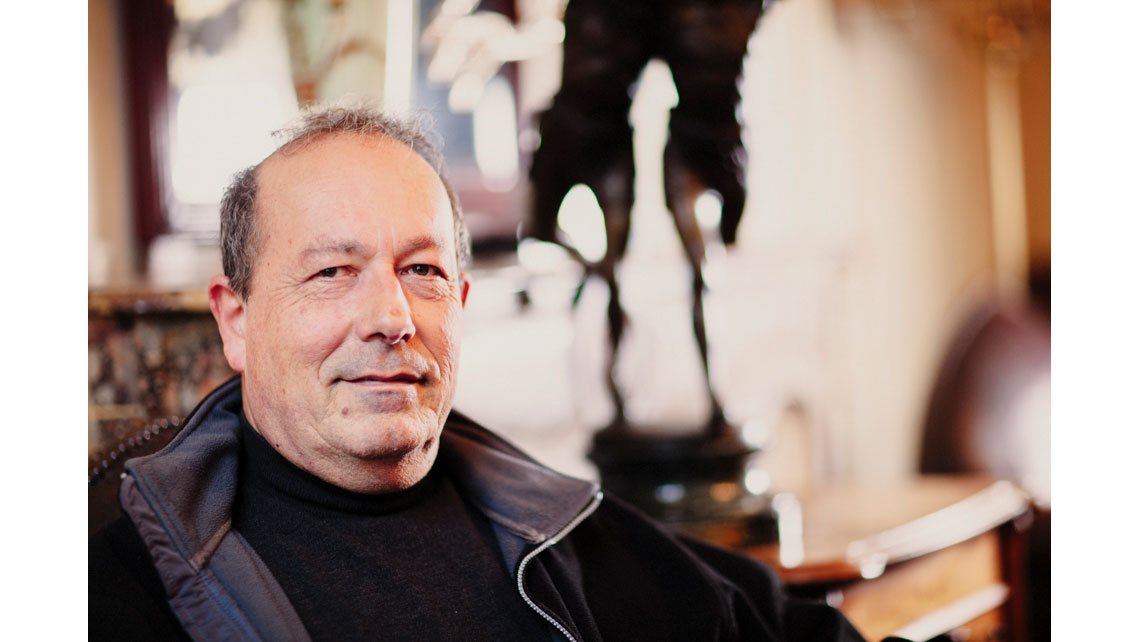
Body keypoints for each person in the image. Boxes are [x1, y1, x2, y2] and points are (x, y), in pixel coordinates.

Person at [89, 103, 870, 642]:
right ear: (237, 319)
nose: (392, 317)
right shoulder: (115, 580)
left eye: (423, 271)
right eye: (331, 272)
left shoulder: (542, 516)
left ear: (460, 302)